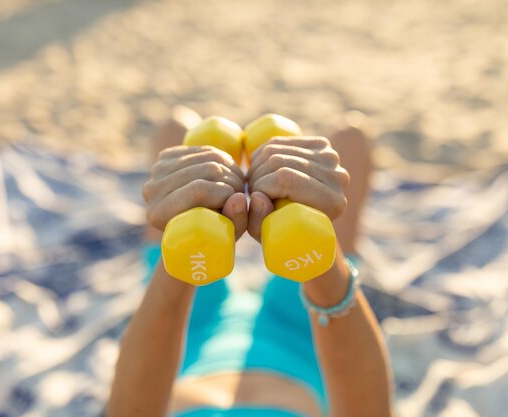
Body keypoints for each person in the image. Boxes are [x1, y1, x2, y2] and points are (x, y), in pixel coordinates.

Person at [107, 111, 394, 417]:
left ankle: (228, 172)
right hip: (304, 331)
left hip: (194, 325)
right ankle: (277, 169)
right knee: (351, 139)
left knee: (175, 132)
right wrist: (321, 265)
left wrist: (183, 243)